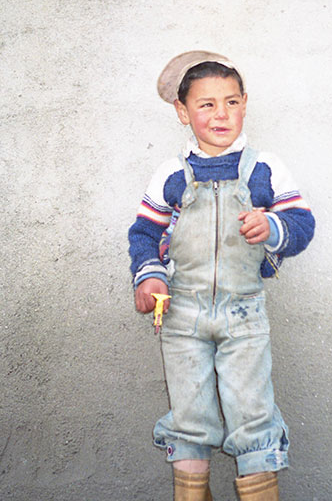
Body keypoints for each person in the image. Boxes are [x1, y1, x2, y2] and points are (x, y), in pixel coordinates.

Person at [128, 50, 315, 501]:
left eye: (231, 102)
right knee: (189, 416)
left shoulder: (264, 167)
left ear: (245, 104)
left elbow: (302, 225)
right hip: (182, 315)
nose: (220, 114)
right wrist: (149, 276)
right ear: (182, 112)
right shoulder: (173, 174)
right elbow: (143, 233)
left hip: (244, 314)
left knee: (252, 414)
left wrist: (271, 228)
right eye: (206, 104)